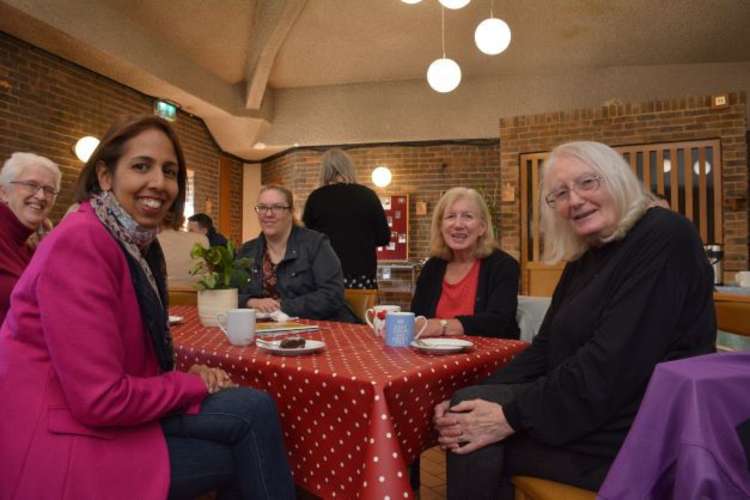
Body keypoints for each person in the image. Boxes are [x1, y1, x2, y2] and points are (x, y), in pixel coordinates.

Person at [0, 115, 294, 500]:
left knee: (255, 407)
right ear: (105, 176)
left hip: (95, 410)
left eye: (169, 171)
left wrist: (182, 374)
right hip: (60, 431)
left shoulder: (137, 243)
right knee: (238, 450)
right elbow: (99, 399)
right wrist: (188, 384)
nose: (159, 181)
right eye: (142, 166)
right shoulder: (81, 242)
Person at [434, 141, 716, 499]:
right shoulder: (588, 252)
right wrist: (473, 399)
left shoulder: (664, 234)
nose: (575, 200)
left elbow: (613, 365)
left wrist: (509, 417)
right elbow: (545, 349)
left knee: (470, 437)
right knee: (467, 410)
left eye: (587, 183)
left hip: (638, 430)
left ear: (617, 179)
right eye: (560, 194)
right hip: (592, 407)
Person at [411, 187, 520, 339]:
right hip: (432, 355)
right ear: (440, 227)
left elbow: (498, 322)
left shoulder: (503, 266)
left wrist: (442, 326)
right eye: (450, 216)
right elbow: (418, 318)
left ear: (482, 227)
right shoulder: (432, 267)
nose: (458, 224)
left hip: (487, 357)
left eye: (467, 216)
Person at [238, 184, 358, 322]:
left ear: (291, 211)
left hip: (323, 328)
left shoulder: (315, 243)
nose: (268, 214)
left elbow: (332, 294)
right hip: (266, 332)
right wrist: (251, 302)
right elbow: (228, 294)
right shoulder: (247, 251)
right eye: (262, 207)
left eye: (277, 207)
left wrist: (280, 307)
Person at [302, 148, 390, 289]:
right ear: (349, 168)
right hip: (362, 276)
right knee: (362, 311)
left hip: (325, 277)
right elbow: (384, 237)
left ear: (324, 170)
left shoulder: (316, 198)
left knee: (326, 311)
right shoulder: (368, 195)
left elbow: (307, 241)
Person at [0, 152, 60, 326]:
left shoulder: (32, 247)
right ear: (3, 192)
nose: (41, 196)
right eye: (31, 185)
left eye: (49, 190)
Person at [158, 212, 210, 290]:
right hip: (197, 298)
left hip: (160, 298)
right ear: (182, 218)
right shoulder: (202, 239)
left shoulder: (149, 240)